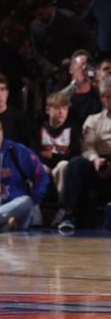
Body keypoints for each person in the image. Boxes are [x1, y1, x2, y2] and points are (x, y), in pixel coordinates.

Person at [59, 77, 111, 232]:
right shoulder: (93, 120)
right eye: (108, 97)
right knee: (75, 163)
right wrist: (95, 160)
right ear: (102, 98)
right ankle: (68, 215)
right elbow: (88, 146)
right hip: (98, 161)